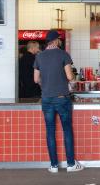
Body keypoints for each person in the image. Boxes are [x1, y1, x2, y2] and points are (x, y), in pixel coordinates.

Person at [34, 30, 84, 173]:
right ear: (56, 41)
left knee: (50, 131)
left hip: (47, 99)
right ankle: (70, 164)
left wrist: (46, 83)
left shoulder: (39, 56)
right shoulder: (63, 54)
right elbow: (69, 76)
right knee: (67, 130)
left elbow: (35, 79)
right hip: (62, 98)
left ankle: (54, 165)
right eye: (59, 40)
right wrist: (72, 77)